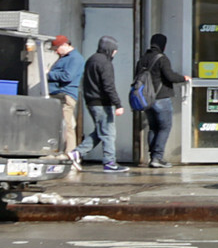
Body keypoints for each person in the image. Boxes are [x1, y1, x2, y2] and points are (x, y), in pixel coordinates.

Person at [133, 34, 187, 168]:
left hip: (147, 100)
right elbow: (170, 76)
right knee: (164, 127)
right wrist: (184, 78)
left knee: (153, 127)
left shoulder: (142, 59)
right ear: (163, 45)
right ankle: (157, 158)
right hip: (161, 98)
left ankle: (152, 157)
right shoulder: (162, 59)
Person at [81, 35, 125, 173]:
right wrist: (118, 104)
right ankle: (109, 162)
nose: (115, 52)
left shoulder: (91, 59)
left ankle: (77, 152)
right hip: (102, 103)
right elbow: (108, 86)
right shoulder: (105, 63)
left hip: (91, 101)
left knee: (101, 131)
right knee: (108, 134)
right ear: (109, 49)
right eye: (114, 50)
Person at [46, 36, 85, 167]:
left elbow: (67, 76)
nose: (56, 51)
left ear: (64, 45)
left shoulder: (74, 58)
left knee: (67, 125)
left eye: (57, 48)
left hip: (65, 95)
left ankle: (69, 153)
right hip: (60, 94)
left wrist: (49, 74)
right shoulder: (66, 58)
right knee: (63, 124)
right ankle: (63, 151)